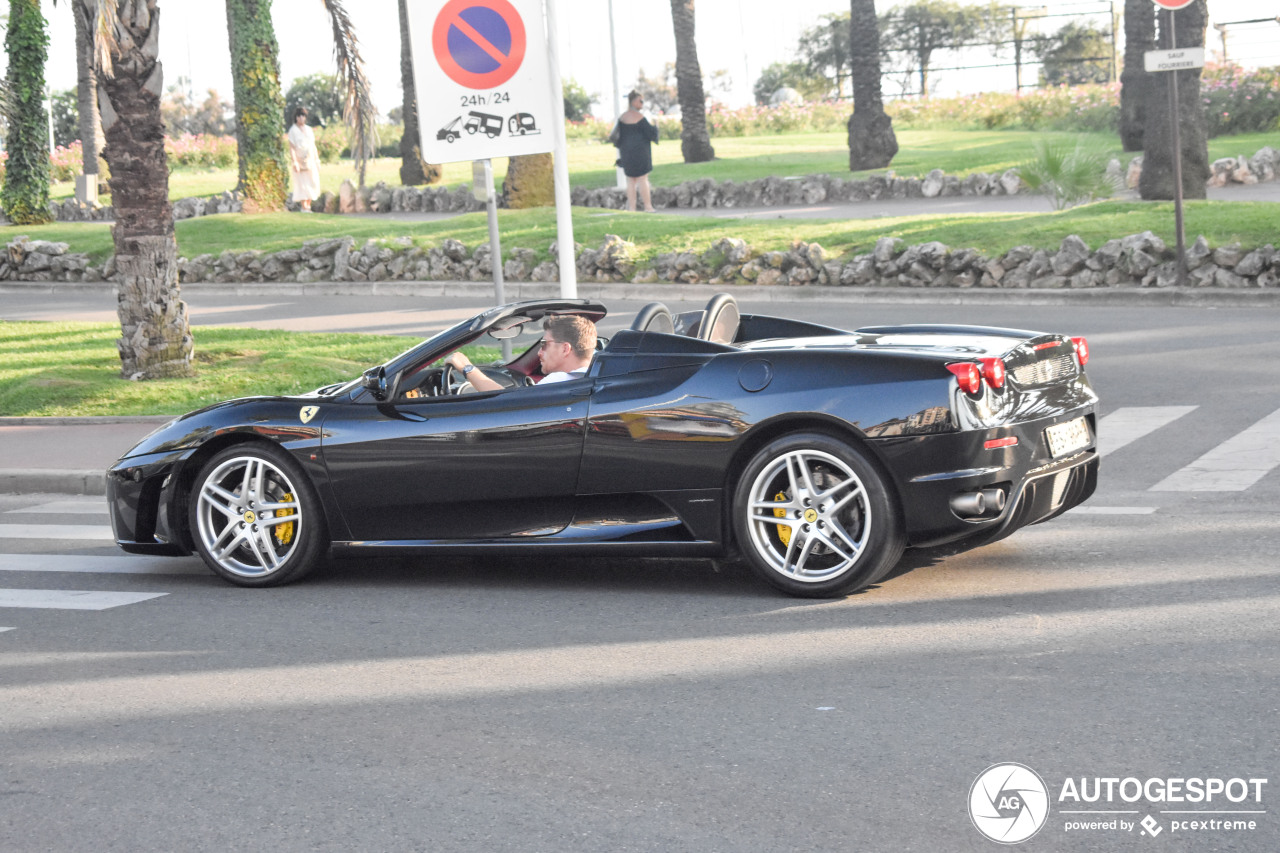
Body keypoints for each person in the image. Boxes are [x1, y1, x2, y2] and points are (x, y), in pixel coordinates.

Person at [446, 315, 596, 393]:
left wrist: (467, 368)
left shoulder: (560, 382)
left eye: (544, 344)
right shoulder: (596, 378)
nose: (539, 352)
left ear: (565, 349)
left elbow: (506, 404)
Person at [610, 90, 659, 212]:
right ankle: (648, 206)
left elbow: (617, 136)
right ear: (634, 101)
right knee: (643, 178)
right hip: (641, 152)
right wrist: (656, 125)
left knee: (630, 180)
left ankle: (632, 208)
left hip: (626, 152)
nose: (642, 103)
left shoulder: (623, 118)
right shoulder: (640, 118)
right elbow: (651, 133)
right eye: (640, 101)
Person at [286, 107, 321, 212]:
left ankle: (309, 205)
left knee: (312, 182)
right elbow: (292, 148)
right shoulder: (293, 131)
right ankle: (304, 206)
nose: (301, 118)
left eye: (303, 116)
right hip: (299, 160)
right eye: (299, 116)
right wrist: (295, 162)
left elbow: (313, 146)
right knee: (302, 183)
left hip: (310, 160)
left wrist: (317, 160)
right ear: (296, 117)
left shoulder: (309, 130)